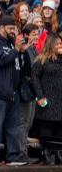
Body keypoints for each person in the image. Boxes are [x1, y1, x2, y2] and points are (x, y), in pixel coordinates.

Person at [0, 14, 28, 166]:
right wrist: (16, 49)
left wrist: (22, 51)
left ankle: (13, 156)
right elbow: (1, 60)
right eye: (10, 28)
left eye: (14, 28)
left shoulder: (11, 44)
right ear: (2, 27)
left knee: (12, 127)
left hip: (13, 92)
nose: (12, 31)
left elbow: (20, 66)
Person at [31, 36, 62, 164]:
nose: (60, 45)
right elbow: (35, 78)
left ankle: (59, 154)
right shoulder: (42, 61)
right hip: (47, 98)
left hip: (60, 100)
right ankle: (47, 154)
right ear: (51, 45)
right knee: (47, 126)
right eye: (58, 44)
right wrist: (40, 95)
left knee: (60, 127)